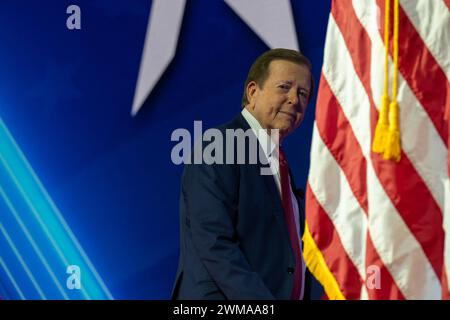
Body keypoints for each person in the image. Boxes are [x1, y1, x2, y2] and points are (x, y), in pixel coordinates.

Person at [172, 48, 313, 299]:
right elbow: (215, 243)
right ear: (252, 92)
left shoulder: (279, 164)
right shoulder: (220, 146)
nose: (294, 99)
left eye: (303, 93)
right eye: (284, 87)